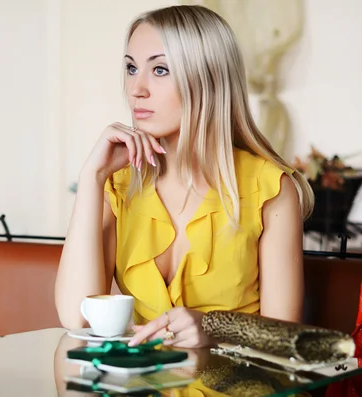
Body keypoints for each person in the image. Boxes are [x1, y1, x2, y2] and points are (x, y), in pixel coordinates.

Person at [54, 4, 314, 349]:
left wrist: (213, 328)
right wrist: (92, 176)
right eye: (131, 68)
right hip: (147, 382)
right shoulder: (116, 183)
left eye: (160, 70)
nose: (137, 89)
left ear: (206, 79)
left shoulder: (270, 187)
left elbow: (283, 337)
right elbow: (78, 318)